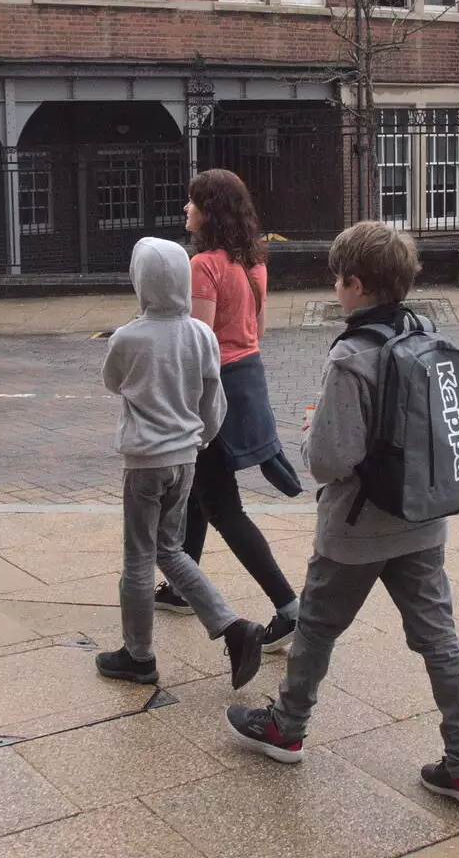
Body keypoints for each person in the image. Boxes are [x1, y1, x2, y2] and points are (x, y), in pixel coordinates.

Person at [225, 221, 459, 811]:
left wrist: (308, 436)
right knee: (439, 639)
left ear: (354, 284)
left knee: (317, 628)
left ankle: (286, 728)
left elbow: (329, 460)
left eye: (338, 281)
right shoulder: (425, 334)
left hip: (356, 529)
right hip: (423, 518)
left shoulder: (352, 356)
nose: (336, 291)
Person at [97, 235, 265, 690]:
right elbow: (215, 400)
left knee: (138, 557)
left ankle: (139, 655)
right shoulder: (200, 333)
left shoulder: (129, 338)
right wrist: (200, 439)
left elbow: (112, 382)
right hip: (186, 459)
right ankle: (233, 627)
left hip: (145, 461)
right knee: (170, 551)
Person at [155, 169, 301, 653]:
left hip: (212, 392)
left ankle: (290, 608)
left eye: (193, 202)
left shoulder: (204, 266)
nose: (185, 209)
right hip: (246, 382)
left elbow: (198, 343)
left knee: (224, 508)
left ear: (209, 210)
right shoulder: (254, 261)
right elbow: (254, 329)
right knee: (202, 488)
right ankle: (181, 586)